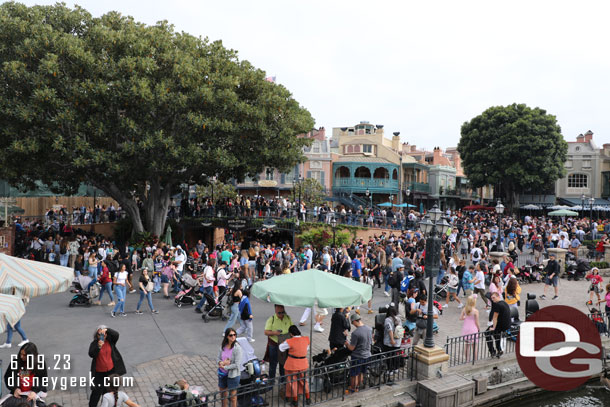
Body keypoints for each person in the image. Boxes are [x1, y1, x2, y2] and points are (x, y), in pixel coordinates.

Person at [88, 326, 126, 407]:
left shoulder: (111, 341)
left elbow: (116, 334)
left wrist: (107, 329)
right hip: (99, 373)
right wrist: (98, 346)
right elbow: (91, 354)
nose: (102, 336)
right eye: (99, 334)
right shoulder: (94, 344)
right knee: (96, 392)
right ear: (96, 335)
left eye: (104, 334)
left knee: (108, 392)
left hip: (110, 372)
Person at [2, 342, 47, 407]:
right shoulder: (16, 362)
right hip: (19, 392)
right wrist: (15, 388)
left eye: (24, 355)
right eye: (21, 354)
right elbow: (8, 377)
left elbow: (42, 379)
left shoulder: (39, 362)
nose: (21, 357)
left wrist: (34, 391)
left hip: (34, 391)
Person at [279, 325, 311, 407]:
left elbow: (281, 348)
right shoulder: (306, 339)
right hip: (303, 363)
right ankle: (308, 398)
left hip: (292, 364)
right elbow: (306, 348)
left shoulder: (290, 341)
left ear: (291, 334)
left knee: (292, 383)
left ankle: (295, 401)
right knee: (304, 381)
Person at [344, 313, 372, 394]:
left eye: (352, 323)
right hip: (367, 355)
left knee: (354, 374)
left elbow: (351, 348)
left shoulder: (355, 333)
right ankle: (358, 387)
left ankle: (352, 389)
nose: (353, 325)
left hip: (357, 356)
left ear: (354, 321)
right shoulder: (369, 329)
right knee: (361, 373)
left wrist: (346, 343)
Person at [264, 305, 293, 379]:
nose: (281, 314)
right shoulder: (272, 319)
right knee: (273, 364)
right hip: (274, 344)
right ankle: (271, 381)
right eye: (279, 313)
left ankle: (283, 381)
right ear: (275, 311)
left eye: (283, 312)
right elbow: (266, 332)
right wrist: (274, 333)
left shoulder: (287, 317)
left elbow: (292, 328)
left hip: (284, 344)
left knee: (283, 364)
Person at [218, 328, 242, 407]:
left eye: (234, 335)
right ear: (227, 336)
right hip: (222, 374)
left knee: (233, 397)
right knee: (223, 395)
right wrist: (220, 362)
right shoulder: (223, 346)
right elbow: (218, 358)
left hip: (233, 375)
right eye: (231, 335)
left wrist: (225, 367)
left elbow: (237, 365)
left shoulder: (237, 348)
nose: (233, 337)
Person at [486, 292, 511, 358]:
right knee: (496, 334)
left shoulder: (498, 305)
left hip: (501, 325)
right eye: (492, 298)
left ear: (498, 297)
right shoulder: (504, 303)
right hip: (506, 324)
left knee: (487, 333)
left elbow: (495, 317)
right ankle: (499, 349)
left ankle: (492, 351)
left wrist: (493, 327)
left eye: (494, 297)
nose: (493, 299)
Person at [382, 307, 402, 376]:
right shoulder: (398, 319)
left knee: (389, 356)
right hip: (398, 341)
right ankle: (395, 368)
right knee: (395, 355)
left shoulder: (388, 320)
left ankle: (390, 370)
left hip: (389, 342)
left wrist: (392, 340)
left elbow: (389, 330)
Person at [460, 295, 480, 362]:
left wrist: (465, 317)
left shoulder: (464, 309)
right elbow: (477, 322)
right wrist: (478, 328)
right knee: (474, 346)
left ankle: (467, 360)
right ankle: (475, 359)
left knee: (467, 345)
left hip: (466, 328)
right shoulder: (475, 311)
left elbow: (461, 318)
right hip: (473, 329)